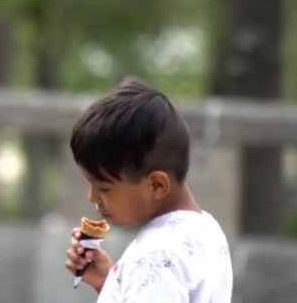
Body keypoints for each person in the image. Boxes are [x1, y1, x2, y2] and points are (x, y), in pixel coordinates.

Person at [64, 79, 232, 302]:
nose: (92, 197)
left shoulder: (155, 257)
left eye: (103, 188)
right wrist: (110, 282)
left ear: (156, 185)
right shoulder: (207, 230)